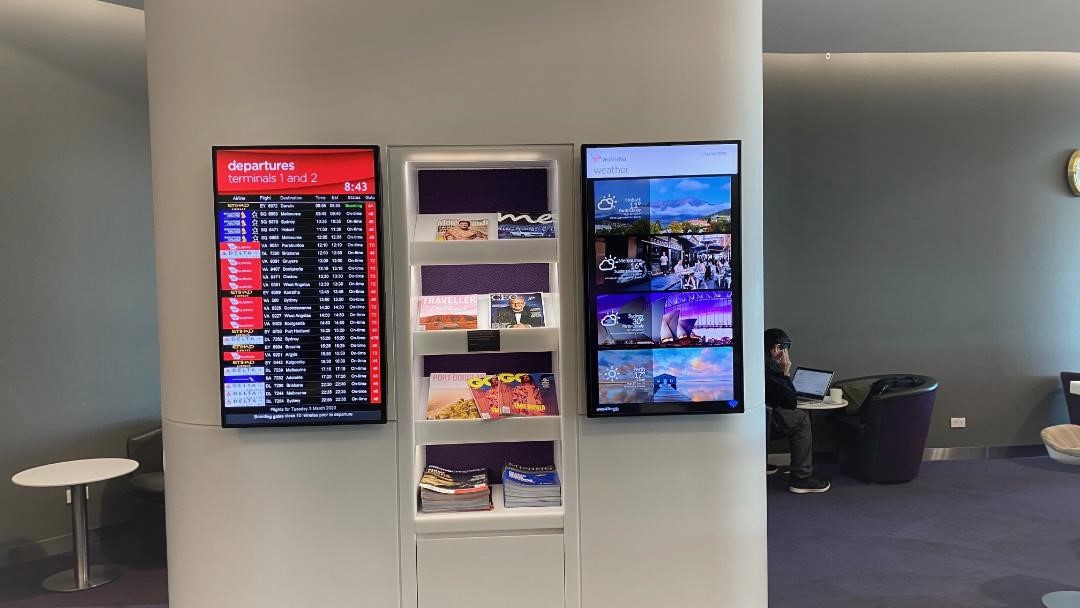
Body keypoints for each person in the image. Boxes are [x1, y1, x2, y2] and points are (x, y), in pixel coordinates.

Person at [764, 328, 830, 493]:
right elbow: (791, 402)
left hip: (756, 417)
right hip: (766, 419)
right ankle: (801, 479)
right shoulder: (770, 366)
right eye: (785, 349)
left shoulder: (754, 360)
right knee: (800, 419)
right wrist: (785, 372)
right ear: (777, 348)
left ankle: (761, 464)